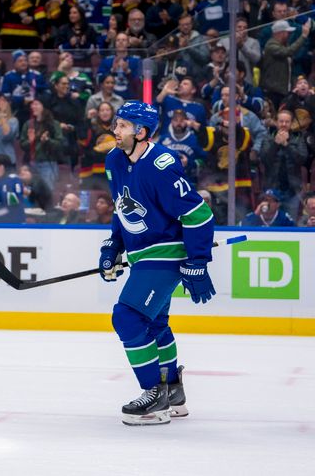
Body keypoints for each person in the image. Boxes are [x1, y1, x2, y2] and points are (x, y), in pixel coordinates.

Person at [99, 101, 215, 426]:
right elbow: (122, 208)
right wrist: (113, 244)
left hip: (165, 253)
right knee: (154, 325)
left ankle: (154, 394)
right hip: (142, 257)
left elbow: (198, 214)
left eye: (122, 125)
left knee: (127, 317)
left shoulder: (161, 165)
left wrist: (198, 260)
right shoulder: (114, 161)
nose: (114, 129)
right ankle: (173, 392)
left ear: (141, 132)